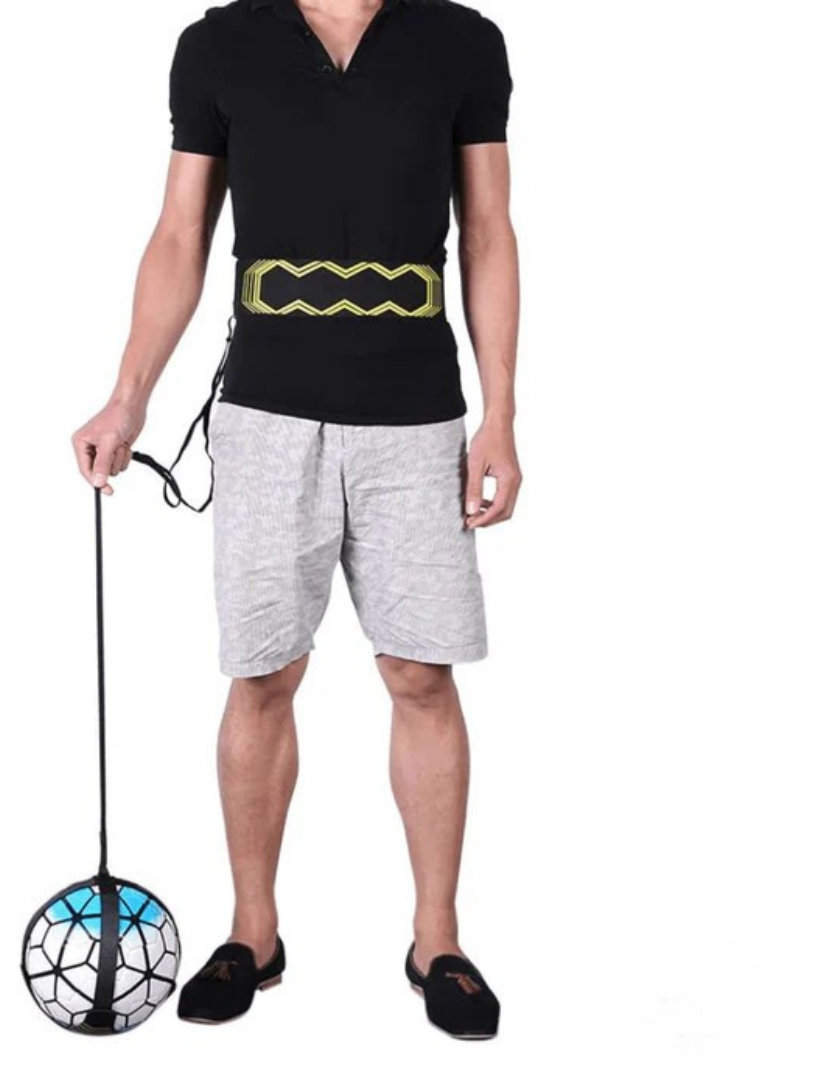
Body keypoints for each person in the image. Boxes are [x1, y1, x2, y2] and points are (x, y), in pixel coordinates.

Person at [71, 0, 520, 1040]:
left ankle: (438, 942)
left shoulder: (463, 41)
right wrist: (128, 396)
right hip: (266, 413)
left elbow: (490, 232)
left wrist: (500, 414)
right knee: (262, 674)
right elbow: (181, 234)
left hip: (416, 416)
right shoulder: (219, 45)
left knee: (421, 673)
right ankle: (254, 934)